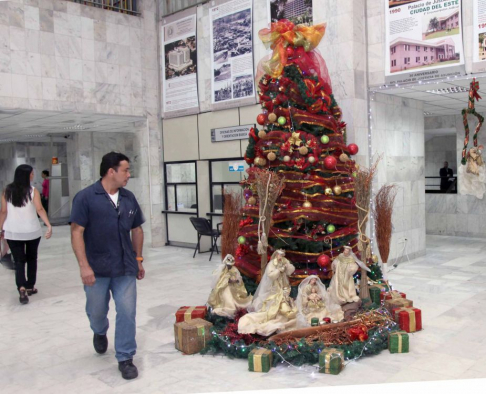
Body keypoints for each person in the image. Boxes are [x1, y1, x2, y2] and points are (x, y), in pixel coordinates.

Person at [70, 152, 145, 380]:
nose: (129, 175)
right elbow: (76, 232)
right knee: (97, 311)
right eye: (125, 170)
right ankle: (99, 330)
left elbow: (137, 229)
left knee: (127, 312)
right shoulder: (85, 198)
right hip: (97, 268)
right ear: (111, 171)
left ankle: (125, 357)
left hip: (125, 268)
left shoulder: (129, 198)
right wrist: (84, 266)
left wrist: (139, 259)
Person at [0, 164, 52, 304]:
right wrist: (48, 224)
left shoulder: (7, 191)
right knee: (31, 258)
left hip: (13, 232)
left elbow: (3, 211)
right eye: (31, 173)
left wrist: (0, 229)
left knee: (18, 261)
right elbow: (39, 209)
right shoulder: (32, 191)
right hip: (31, 231)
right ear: (26, 175)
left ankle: (21, 288)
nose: (33, 175)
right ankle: (30, 286)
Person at [237, 250, 298, 336]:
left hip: (283, 282)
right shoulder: (272, 263)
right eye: (280, 255)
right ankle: (273, 312)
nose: (281, 257)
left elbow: (290, 270)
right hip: (274, 285)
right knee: (273, 300)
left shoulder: (284, 261)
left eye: (282, 255)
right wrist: (279, 270)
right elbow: (270, 275)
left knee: (284, 298)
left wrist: (287, 267)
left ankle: (282, 311)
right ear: (276, 255)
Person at [208, 254, 253, 318]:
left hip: (233, 287)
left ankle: (233, 305)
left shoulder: (234, 270)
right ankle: (228, 306)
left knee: (232, 293)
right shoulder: (223, 270)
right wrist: (226, 281)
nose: (229, 266)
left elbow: (239, 279)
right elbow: (221, 280)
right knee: (226, 293)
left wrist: (235, 280)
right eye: (228, 265)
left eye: (230, 265)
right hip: (224, 286)